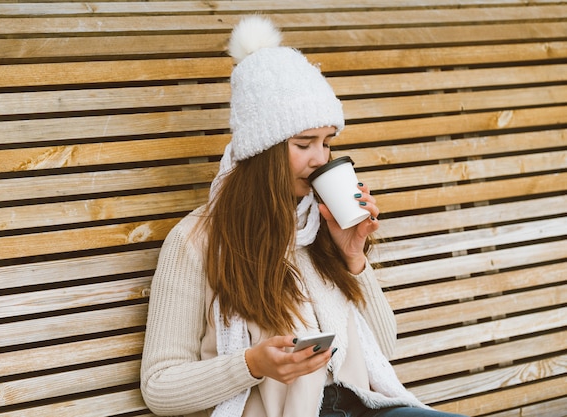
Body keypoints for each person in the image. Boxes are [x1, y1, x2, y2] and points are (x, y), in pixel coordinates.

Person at [140, 16, 468, 417]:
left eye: (327, 142)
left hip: (367, 408)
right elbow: (159, 388)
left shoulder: (319, 226)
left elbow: (383, 349)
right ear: (264, 150)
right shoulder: (196, 242)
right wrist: (251, 365)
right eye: (304, 143)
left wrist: (354, 258)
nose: (320, 159)